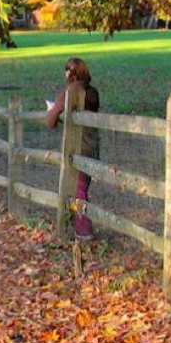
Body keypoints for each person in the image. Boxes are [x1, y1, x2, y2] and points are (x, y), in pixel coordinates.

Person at [46, 57, 100, 240]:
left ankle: (84, 230)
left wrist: (52, 109)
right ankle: (78, 226)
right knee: (82, 187)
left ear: (70, 73)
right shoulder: (93, 92)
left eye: (66, 70)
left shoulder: (70, 91)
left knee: (78, 191)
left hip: (76, 147)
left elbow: (50, 121)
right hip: (93, 145)